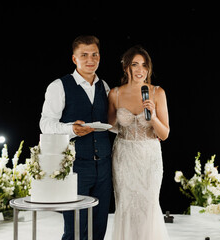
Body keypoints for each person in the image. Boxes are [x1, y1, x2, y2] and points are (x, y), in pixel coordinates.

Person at [40, 35, 112, 240]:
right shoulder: (59, 86)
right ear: (74, 59)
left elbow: (112, 121)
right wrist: (71, 129)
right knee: (75, 229)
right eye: (84, 55)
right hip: (76, 167)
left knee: (99, 227)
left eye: (95, 54)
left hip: (104, 165)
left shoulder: (104, 86)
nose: (91, 59)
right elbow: (45, 124)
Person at [108, 45, 170, 240]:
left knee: (149, 203)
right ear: (126, 67)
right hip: (124, 155)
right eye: (134, 64)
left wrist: (152, 118)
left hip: (149, 155)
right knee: (125, 204)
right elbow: (108, 125)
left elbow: (165, 133)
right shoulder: (115, 94)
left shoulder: (157, 92)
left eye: (144, 65)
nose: (140, 69)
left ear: (148, 68)